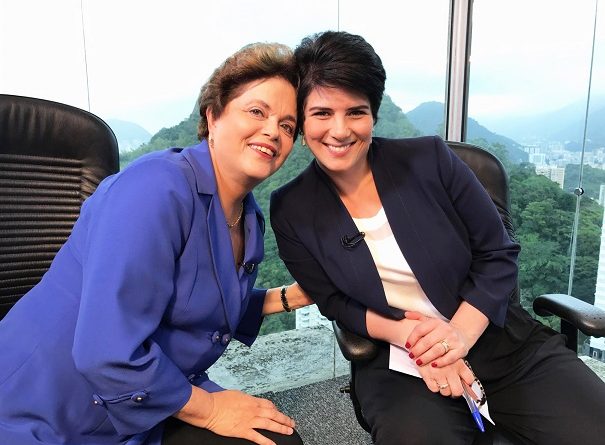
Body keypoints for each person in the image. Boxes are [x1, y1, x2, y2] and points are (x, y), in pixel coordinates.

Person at [270, 30, 605, 444]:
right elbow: (335, 302)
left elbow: (498, 253)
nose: (339, 130)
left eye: (356, 112)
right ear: (302, 121)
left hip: (499, 340)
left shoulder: (429, 160)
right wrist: (419, 343)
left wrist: (458, 335)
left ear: (374, 115)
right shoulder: (291, 209)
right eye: (322, 113)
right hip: (399, 362)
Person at [0, 42, 312, 445]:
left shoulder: (248, 218)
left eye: (287, 125)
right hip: (50, 413)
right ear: (213, 115)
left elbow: (197, 300)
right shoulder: (154, 189)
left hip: (154, 399)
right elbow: (104, 351)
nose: (272, 131)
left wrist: (289, 297)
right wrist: (213, 409)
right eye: (257, 111)